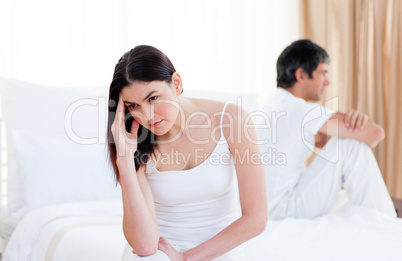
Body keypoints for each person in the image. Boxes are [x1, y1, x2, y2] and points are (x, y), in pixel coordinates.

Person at [107, 45, 268, 260]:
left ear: (176, 83)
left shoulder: (232, 120)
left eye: (153, 98)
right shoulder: (135, 141)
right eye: (133, 105)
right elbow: (145, 246)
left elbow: (256, 219)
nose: (146, 116)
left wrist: (186, 257)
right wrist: (125, 164)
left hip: (219, 249)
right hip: (159, 251)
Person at [259, 39, 396, 220]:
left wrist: (344, 122)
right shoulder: (299, 110)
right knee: (349, 146)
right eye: (323, 73)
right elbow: (375, 134)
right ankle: (387, 224)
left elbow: (321, 141)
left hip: (267, 206)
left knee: (345, 195)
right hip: (284, 210)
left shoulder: (272, 103)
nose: (328, 81)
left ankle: (382, 218)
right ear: (301, 75)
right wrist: (351, 120)